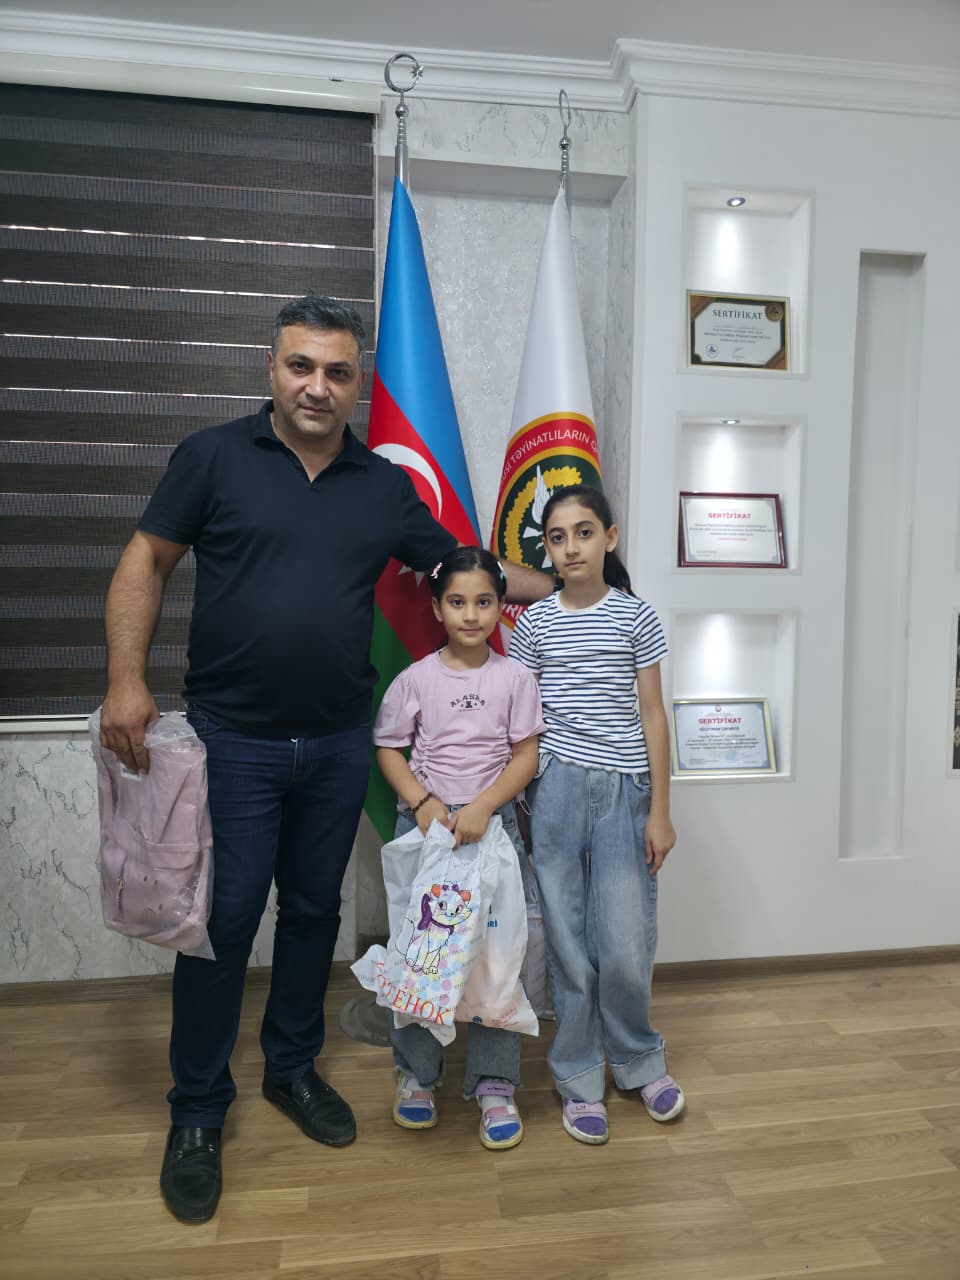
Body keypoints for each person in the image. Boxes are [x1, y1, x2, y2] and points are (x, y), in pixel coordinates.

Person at [99, 295, 551, 1223]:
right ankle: (198, 1110)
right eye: (300, 366)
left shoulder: (381, 486)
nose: (318, 386)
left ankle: (292, 1070)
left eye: (338, 371)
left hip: (343, 740)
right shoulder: (212, 457)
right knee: (223, 922)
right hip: (233, 740)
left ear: (356, 385)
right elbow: (145, 559)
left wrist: (578, 584)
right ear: (271, 369)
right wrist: (125, 680)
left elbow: (467, 570)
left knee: (313, 913)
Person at [508, 484, 685, 1145]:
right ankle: (579, 1075)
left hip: (624, 791)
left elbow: (654, 715)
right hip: (554, 789)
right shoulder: (535, 624)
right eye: (557, 538)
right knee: (568, 941)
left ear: (609, 538)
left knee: (624, 938)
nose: (572, 547)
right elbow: (520, 719)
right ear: (547, 551)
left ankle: (639, 1061)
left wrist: (660, 810)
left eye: (584, 532)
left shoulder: (636, 617)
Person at [374, 545, 545, 1150]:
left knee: (497, 956)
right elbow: (389, 749)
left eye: (484, 602)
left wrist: (481, 807)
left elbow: (526, 755)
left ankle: (495, 1081)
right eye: (457, 602)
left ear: (501, 608)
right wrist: (425, 804)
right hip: (428, 831)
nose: (471, 615)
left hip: (492, 829)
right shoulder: (415, 679)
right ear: (437, 608)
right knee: (424, 953)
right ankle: (418, 1074)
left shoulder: (515, 678)